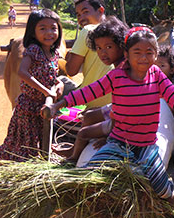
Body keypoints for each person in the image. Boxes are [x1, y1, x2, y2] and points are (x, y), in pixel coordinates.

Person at [43, 27, 174, 203]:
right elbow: (88, 92)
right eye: (137, 52)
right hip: (118, 143)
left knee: (161, 188)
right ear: (127, 55)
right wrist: (59, 105)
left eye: (149, 52)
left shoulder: (157, 76)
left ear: (155, 54)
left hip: (146, 146)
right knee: (90, 174)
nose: (143, 57)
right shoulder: (116, 77)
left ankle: (171, 201)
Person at [0, 9, 65, 171]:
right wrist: (46, 91)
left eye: (53, 28)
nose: (49, 33)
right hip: (28, 108)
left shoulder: (54, 53)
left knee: (36, 147)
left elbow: (51, 74)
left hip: (42, 108)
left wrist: (59, 83)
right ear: (33, 33)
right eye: (43, 29)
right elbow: (23, 72)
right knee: (21, 151)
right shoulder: (33, 50)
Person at [55, 16, 128, 164]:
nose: (103, 53)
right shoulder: (119, 67)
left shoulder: (121, 72)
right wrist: (62, 103)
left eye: (108, 47)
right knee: (88, 116)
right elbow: (91, 91)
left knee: (83, 132)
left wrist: (110, 136)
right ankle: (73, 152)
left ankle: (73, 158)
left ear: (121, 45)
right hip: (116, 111)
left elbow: (124, 110)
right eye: (99, 48)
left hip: (123, 122)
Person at [64, 0, 113, 108]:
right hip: (119, 101)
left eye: (85, 12)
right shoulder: (120, 29)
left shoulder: (88, 30)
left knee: (61, 83)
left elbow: (71, 71)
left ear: (100, 10)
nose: (81, 18)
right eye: (78, 15)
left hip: (94, 102)